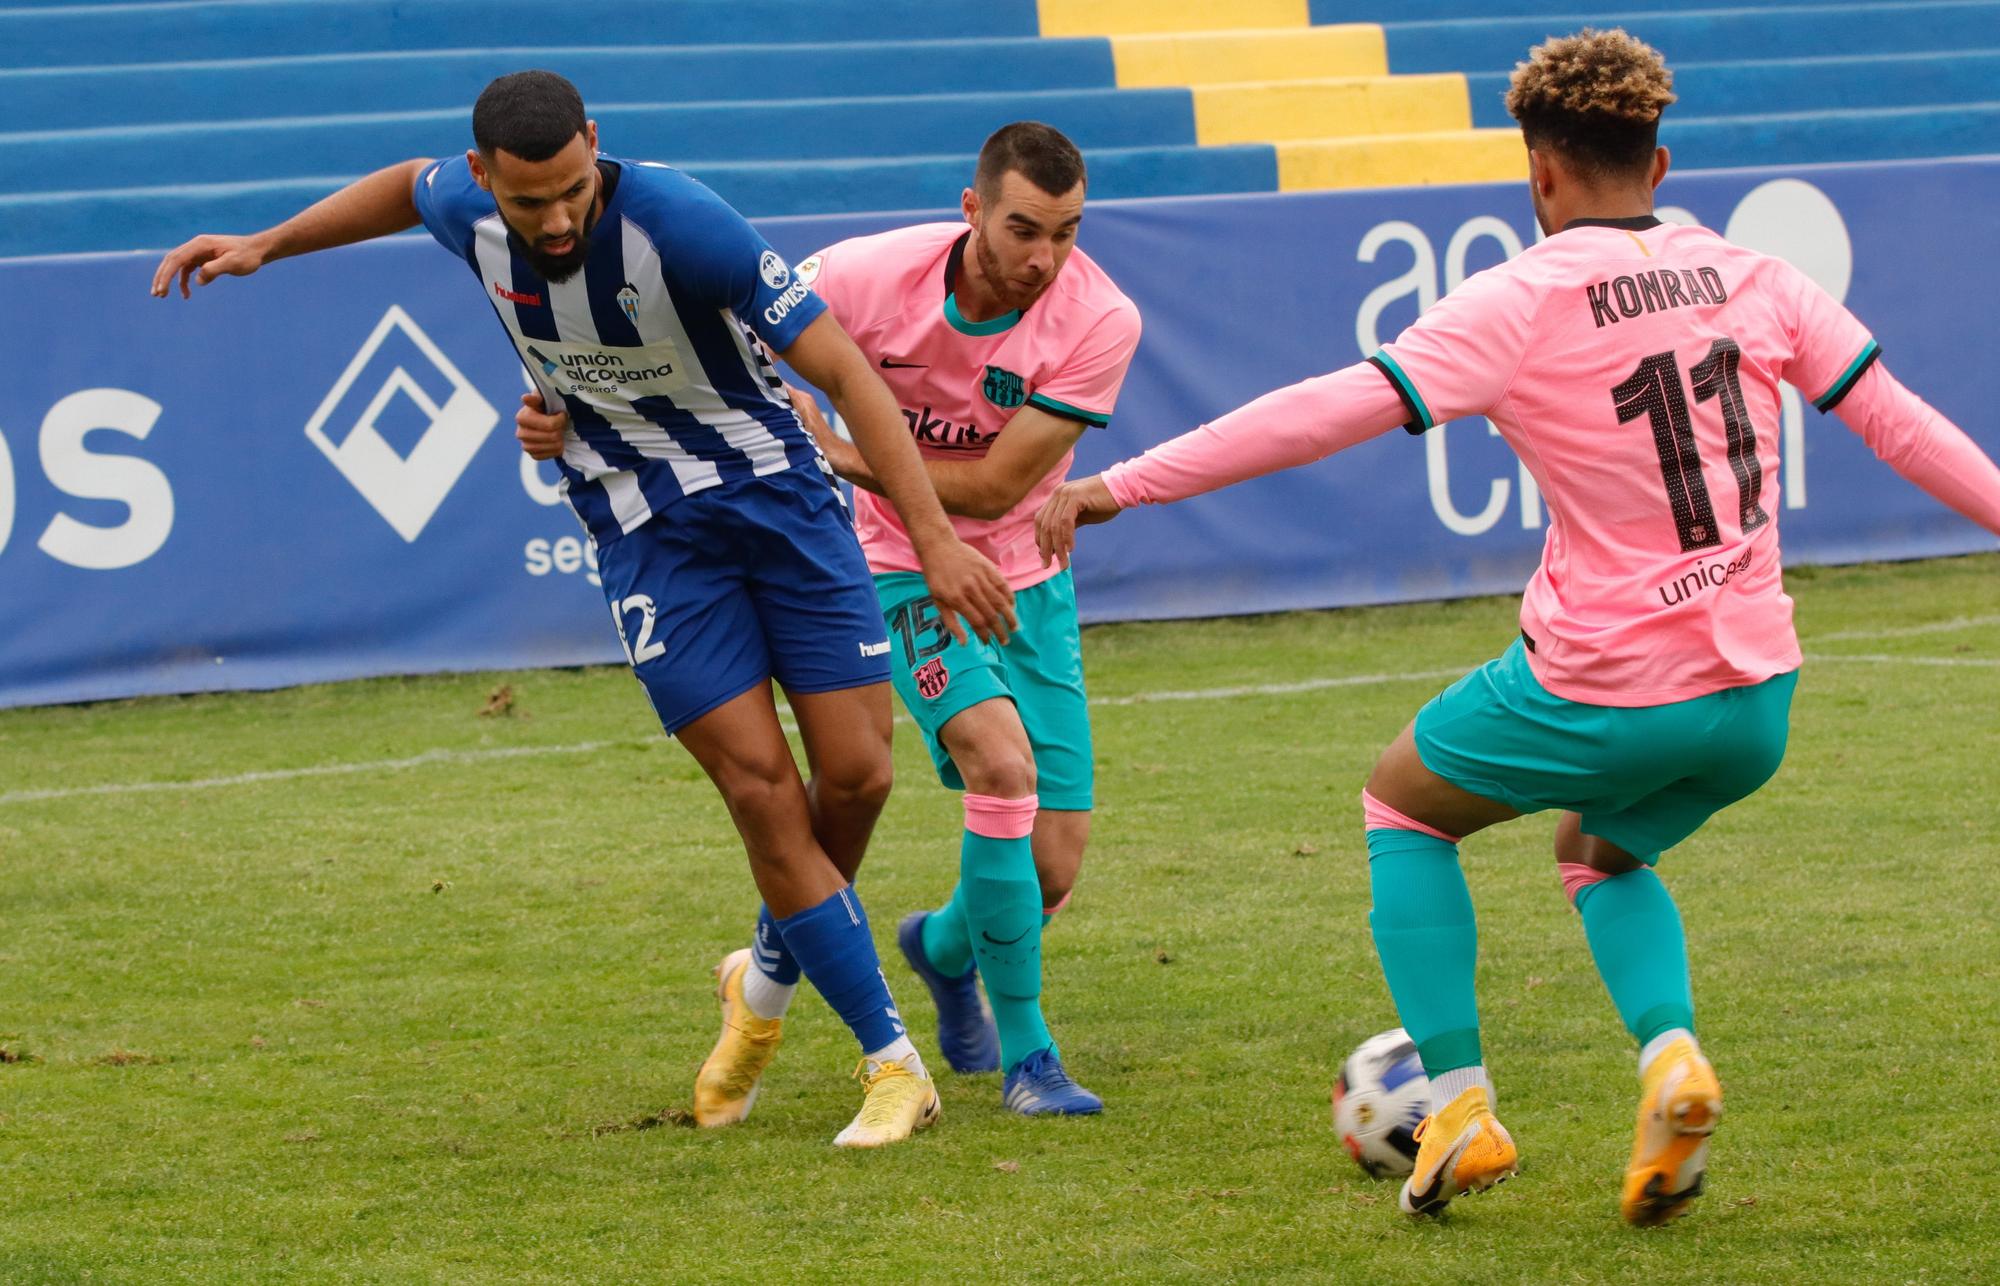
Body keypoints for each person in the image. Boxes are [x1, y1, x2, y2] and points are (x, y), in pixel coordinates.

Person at [1036, 28, 2000, 1223]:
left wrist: (1113, 484)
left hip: (1604, 684)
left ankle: (1458, 1104)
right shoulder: (1752, 276)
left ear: (1537, 173)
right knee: (1600, 852)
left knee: (1400, 803)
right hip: (1758, 696)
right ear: (1659, 163)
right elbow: (1900, 423)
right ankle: (1668, 1062)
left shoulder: (1518, 297)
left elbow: (1315, 413)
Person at [151, 70, 1018, 1149]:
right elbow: (395, 187)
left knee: (856, 775)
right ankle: (892, 1064)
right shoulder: (463, 208)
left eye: (570, 191)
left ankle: (760, 977)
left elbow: (843, 367)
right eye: (528, 203)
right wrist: (265, 243)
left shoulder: (686, 226)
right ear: (483, 181)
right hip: (645, 531)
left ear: (595, 147)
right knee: (758, 788)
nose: (555, 220)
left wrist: (934, 540)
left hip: (781, 502)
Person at [531, 122, 1140, 1115]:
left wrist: (844, 449)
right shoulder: (864, 274)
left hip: (1025, 578)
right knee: (1001, 765)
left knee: (1051, 864)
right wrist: (574, 404)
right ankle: (1031, 1061)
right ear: (970, 209)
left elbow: (996, 486)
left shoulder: (1101, 318)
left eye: (1066, 233)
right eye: (1023, 228)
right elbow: (720, 330)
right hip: (892, 564)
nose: (1044, 258)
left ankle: (940, 947)